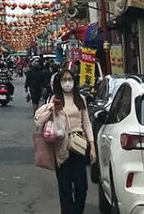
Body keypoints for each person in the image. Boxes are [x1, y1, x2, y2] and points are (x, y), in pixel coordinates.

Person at [34, 68, 96, 214]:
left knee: (82, 186)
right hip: (61, 146)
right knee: (65, 186)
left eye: (70, 79)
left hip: (79, 145)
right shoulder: (54, 98)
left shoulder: (80, 99)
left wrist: (92, 145)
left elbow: (86, 122)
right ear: (59, 82)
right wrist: (53, 109)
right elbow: (46, 120)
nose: (67, 83)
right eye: (64, 80)